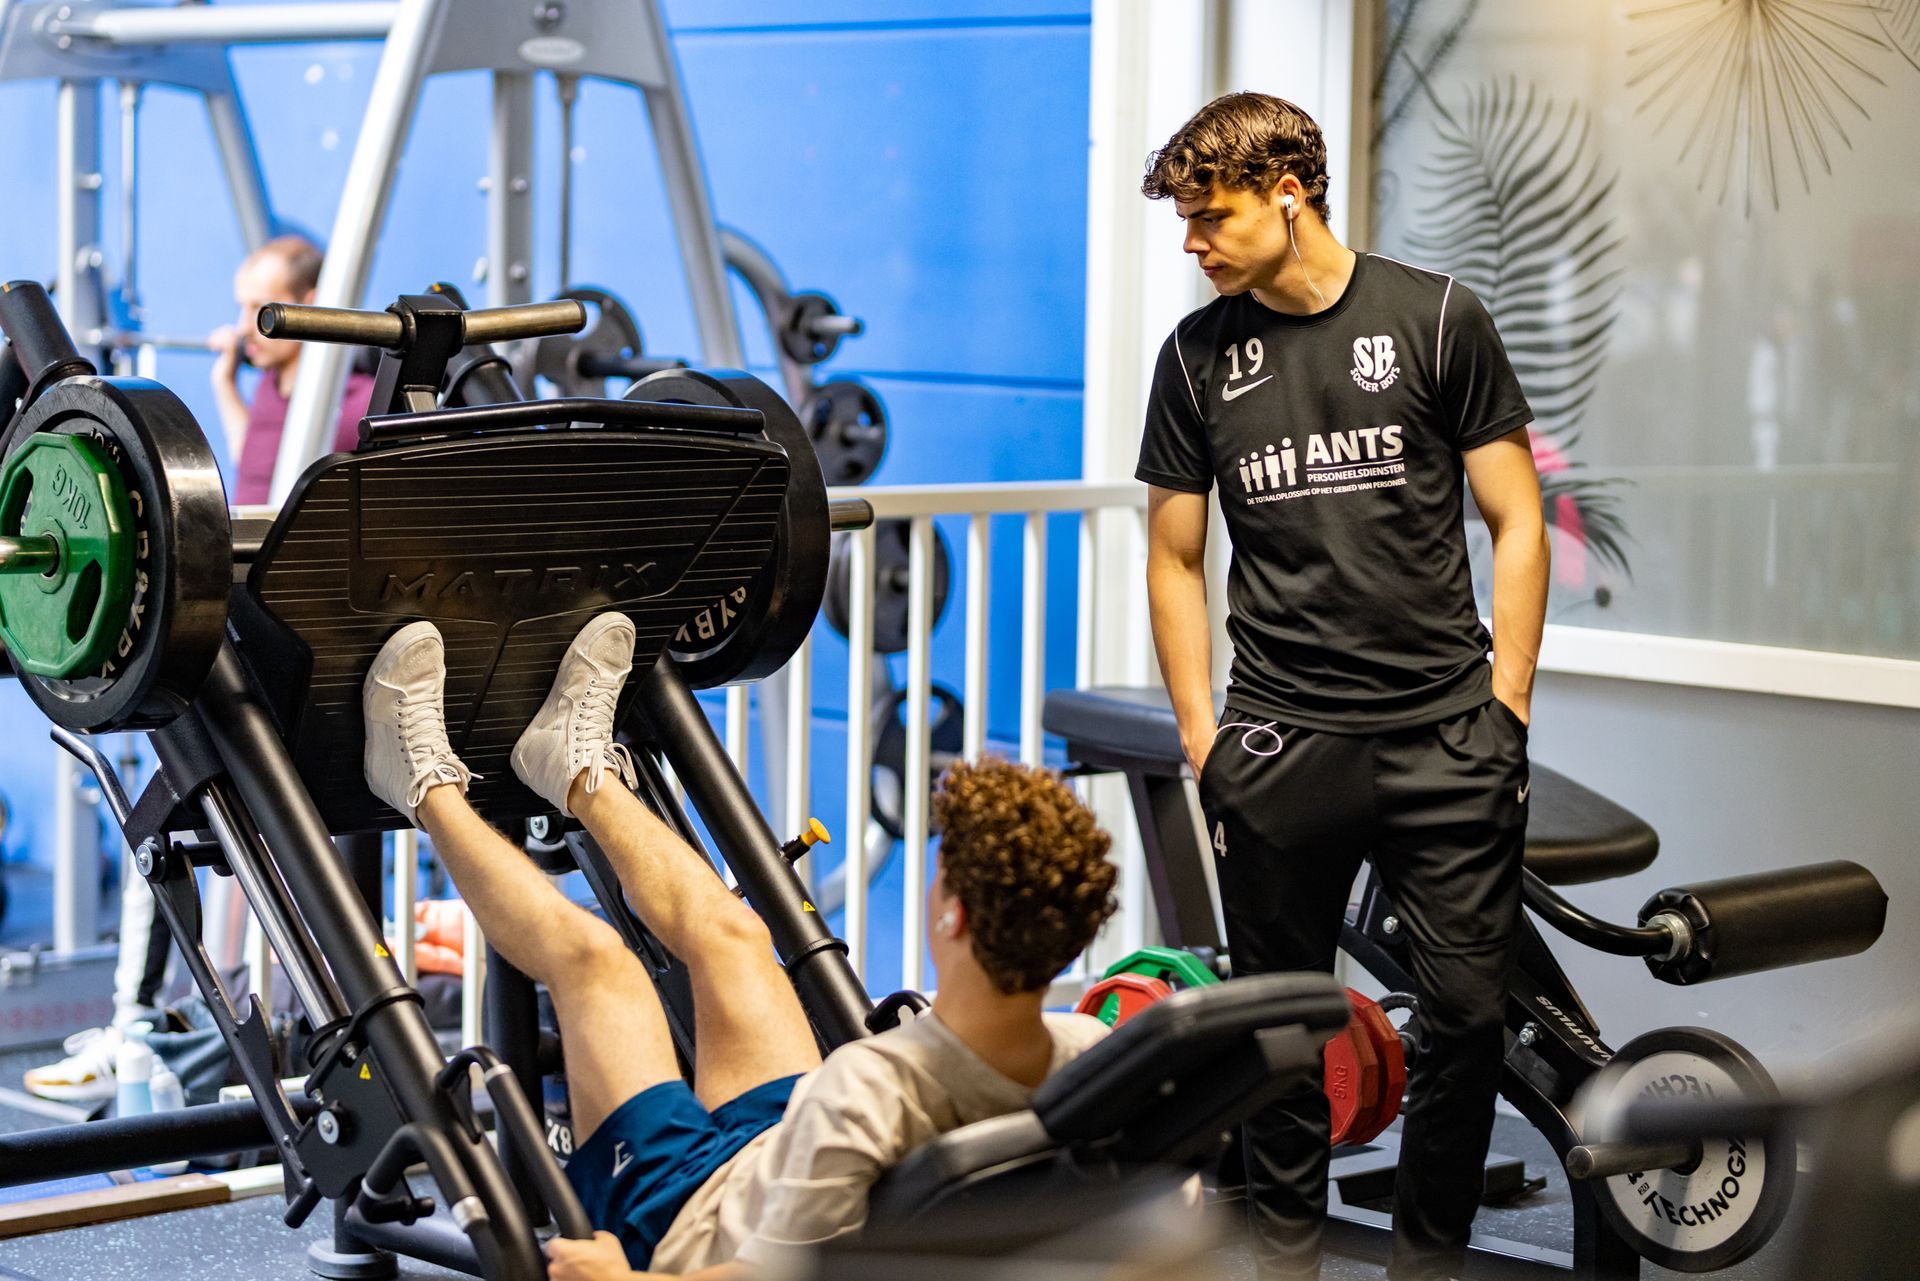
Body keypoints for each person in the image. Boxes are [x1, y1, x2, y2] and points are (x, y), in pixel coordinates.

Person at [359, 612, 1118, 1279]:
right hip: (783, 1148)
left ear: (951, 917)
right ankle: (570, 767)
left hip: (689, 1223)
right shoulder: (1087, 1051)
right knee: (733, 933)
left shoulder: (871, 1097)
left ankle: (421, 783)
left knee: (596, 963)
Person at [1135, 93, 1549, 1281]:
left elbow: (1516, 521)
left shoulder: (1434, 319)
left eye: (1209, 218)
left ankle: (1428, 1261)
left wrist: (1504, 706)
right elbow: (1173, 555)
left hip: (1444, 736)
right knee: (1280, 1036)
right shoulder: (1196, 357)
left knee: (1469, 1018)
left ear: (1289, 192)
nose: (1192, 244)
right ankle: (1287, 1266)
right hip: (1278, 744)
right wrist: (1204, 737)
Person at [209, 234, 375, 505]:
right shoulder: (270, 382)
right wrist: (225, 383)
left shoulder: (360, 404)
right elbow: (254, 463)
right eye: (243, 308)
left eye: (260, 311)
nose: (243, 328)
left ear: (309, 306)